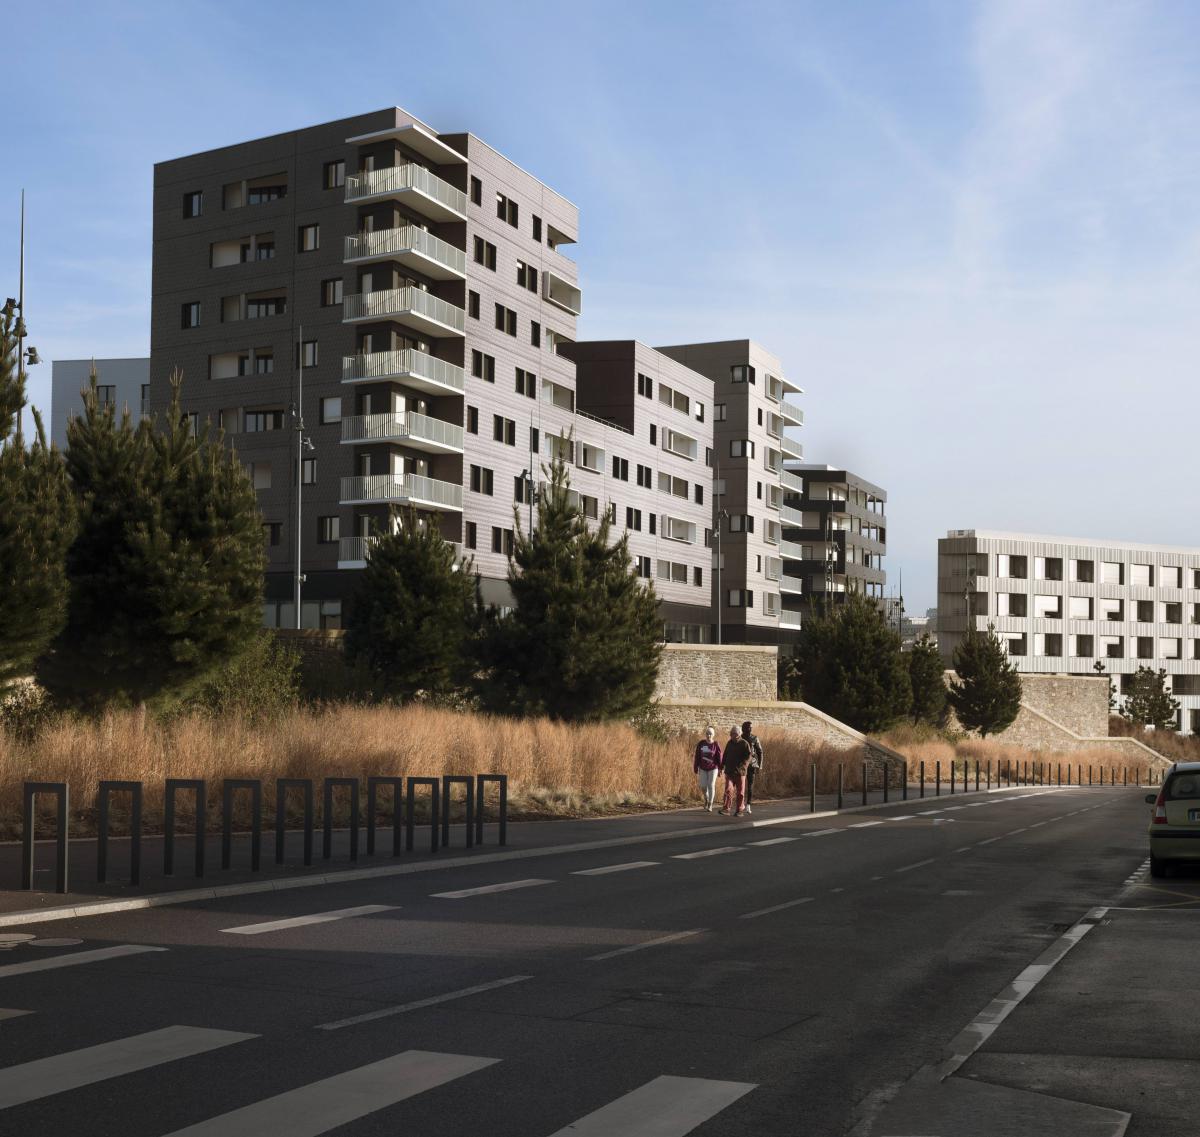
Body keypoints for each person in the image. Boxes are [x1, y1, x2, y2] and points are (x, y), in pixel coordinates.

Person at [720, 725, 753, 817]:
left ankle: (739, 810)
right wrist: (722, 767)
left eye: (733, 733)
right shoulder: (729, 743)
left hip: (740, 772)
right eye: (731, 733)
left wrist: (744, 765)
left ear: (738, 734)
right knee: (728, 790)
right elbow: (725, 755)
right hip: (729, 771)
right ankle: (726, 809)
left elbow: (749, 756)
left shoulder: (744, 743)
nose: (731, 735)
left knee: (740, 793)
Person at [693, 727, 723, 811]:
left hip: (713, 768)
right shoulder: (701, 743)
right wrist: (695, 767)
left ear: (713, 735)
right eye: (707, 733)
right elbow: (697, 756)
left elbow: (719, 757)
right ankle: (706, 799)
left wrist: (721, 768)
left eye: (710, 733)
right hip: (702, 768)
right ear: (705, 734)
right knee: (703, 786)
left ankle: (710, 803)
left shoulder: (715, 744)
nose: (708, 735)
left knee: (711, 785)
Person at [742, 720, 764, 815]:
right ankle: (741, 804)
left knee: (750, 785)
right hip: (741, 765)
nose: (750, 729)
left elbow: (760, 752)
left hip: (752, 765)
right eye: (748, 727)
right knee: (741, 785)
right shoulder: (740, 737)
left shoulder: (755, 738)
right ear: (744, 728)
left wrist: (760, 765)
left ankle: (748, 805)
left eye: (751, 727)